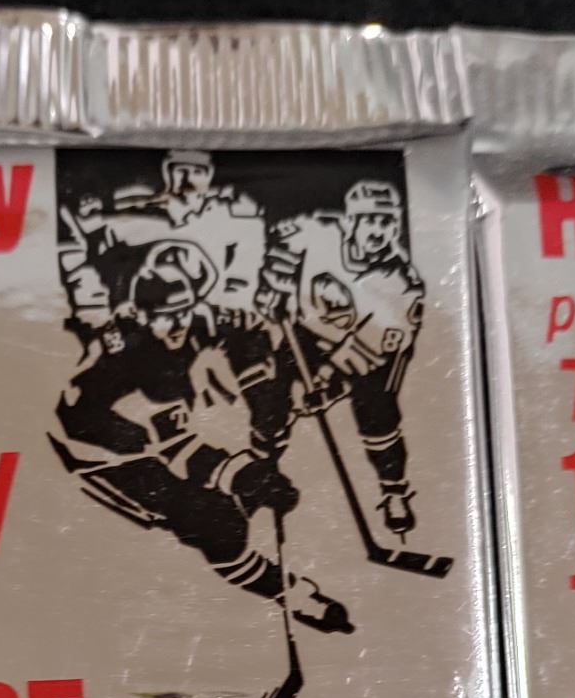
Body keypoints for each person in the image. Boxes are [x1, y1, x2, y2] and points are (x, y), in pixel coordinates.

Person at [51, 240, 351, 632]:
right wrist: (235, 473)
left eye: (184, 311)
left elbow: (246, 338)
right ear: (140, 311)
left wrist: (273, 404)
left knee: (250, 485)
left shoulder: (195, 321)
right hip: (101, 452)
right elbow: (157, 441)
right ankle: (287, 592)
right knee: (214, 522)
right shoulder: (122, 354)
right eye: (165, 316)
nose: (177, 324)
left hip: (164, 435)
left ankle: (246, 506)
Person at [259, 179, 425, 536]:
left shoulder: (402, 283)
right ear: (350, 222)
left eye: (386, 222)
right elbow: (269, 244)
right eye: (369, 220)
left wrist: (329, 384)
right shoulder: (315, 231)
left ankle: (394, 490)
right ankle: (262, 465)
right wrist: (271, 283)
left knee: (377, 413)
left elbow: (376, 350)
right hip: (309, 330)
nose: (378, 230)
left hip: (373, 350)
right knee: (272, 392)